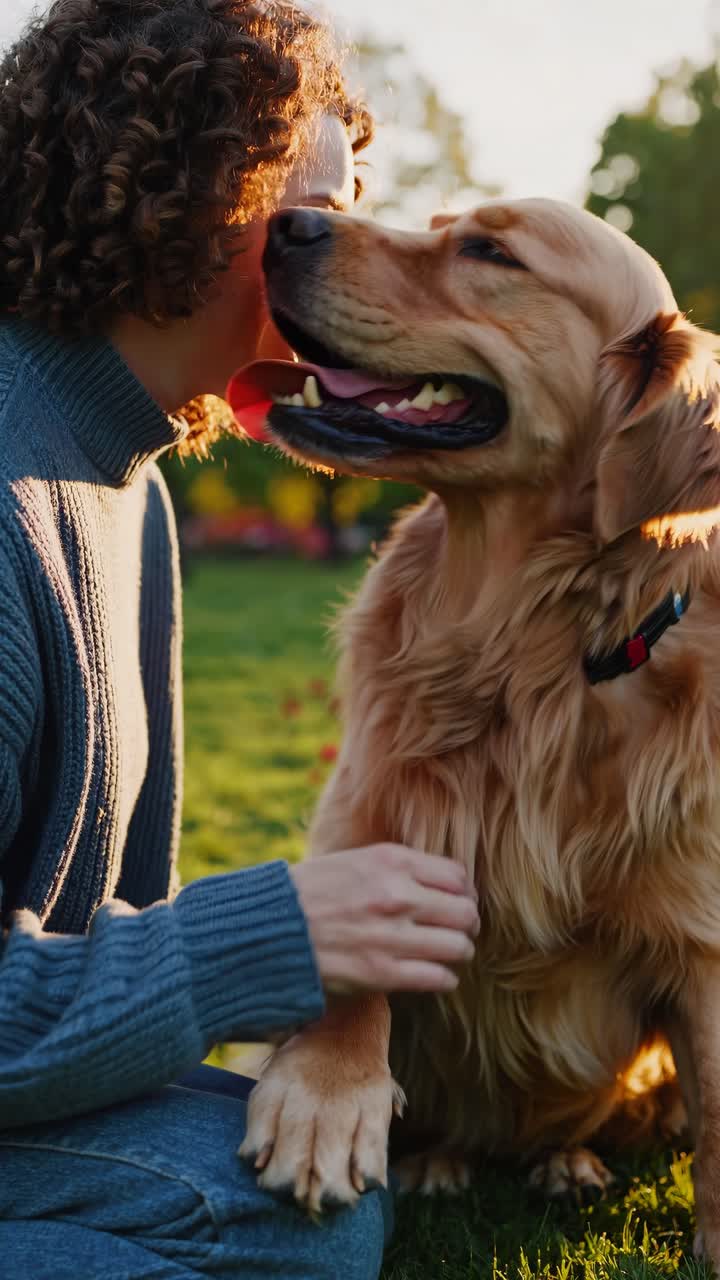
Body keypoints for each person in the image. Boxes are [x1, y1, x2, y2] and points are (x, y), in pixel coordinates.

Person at [0, 2, 480, 1278]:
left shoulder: (128, 484)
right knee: (275, 1208)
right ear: (179, 199)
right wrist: (269, 934)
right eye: (313, 213)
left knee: (305, 1191)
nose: (356, 251)